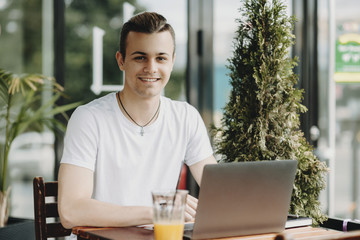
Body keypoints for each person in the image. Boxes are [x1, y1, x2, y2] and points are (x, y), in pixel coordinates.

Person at [58, 11, 217, 230]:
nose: (151, 68)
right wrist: (159, 211)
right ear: (121, 60)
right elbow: (71, 211)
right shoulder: (89, 118)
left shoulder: (186, 117)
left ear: (172, 62)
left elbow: (218, 192)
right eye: (140, 57)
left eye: (161, 58)